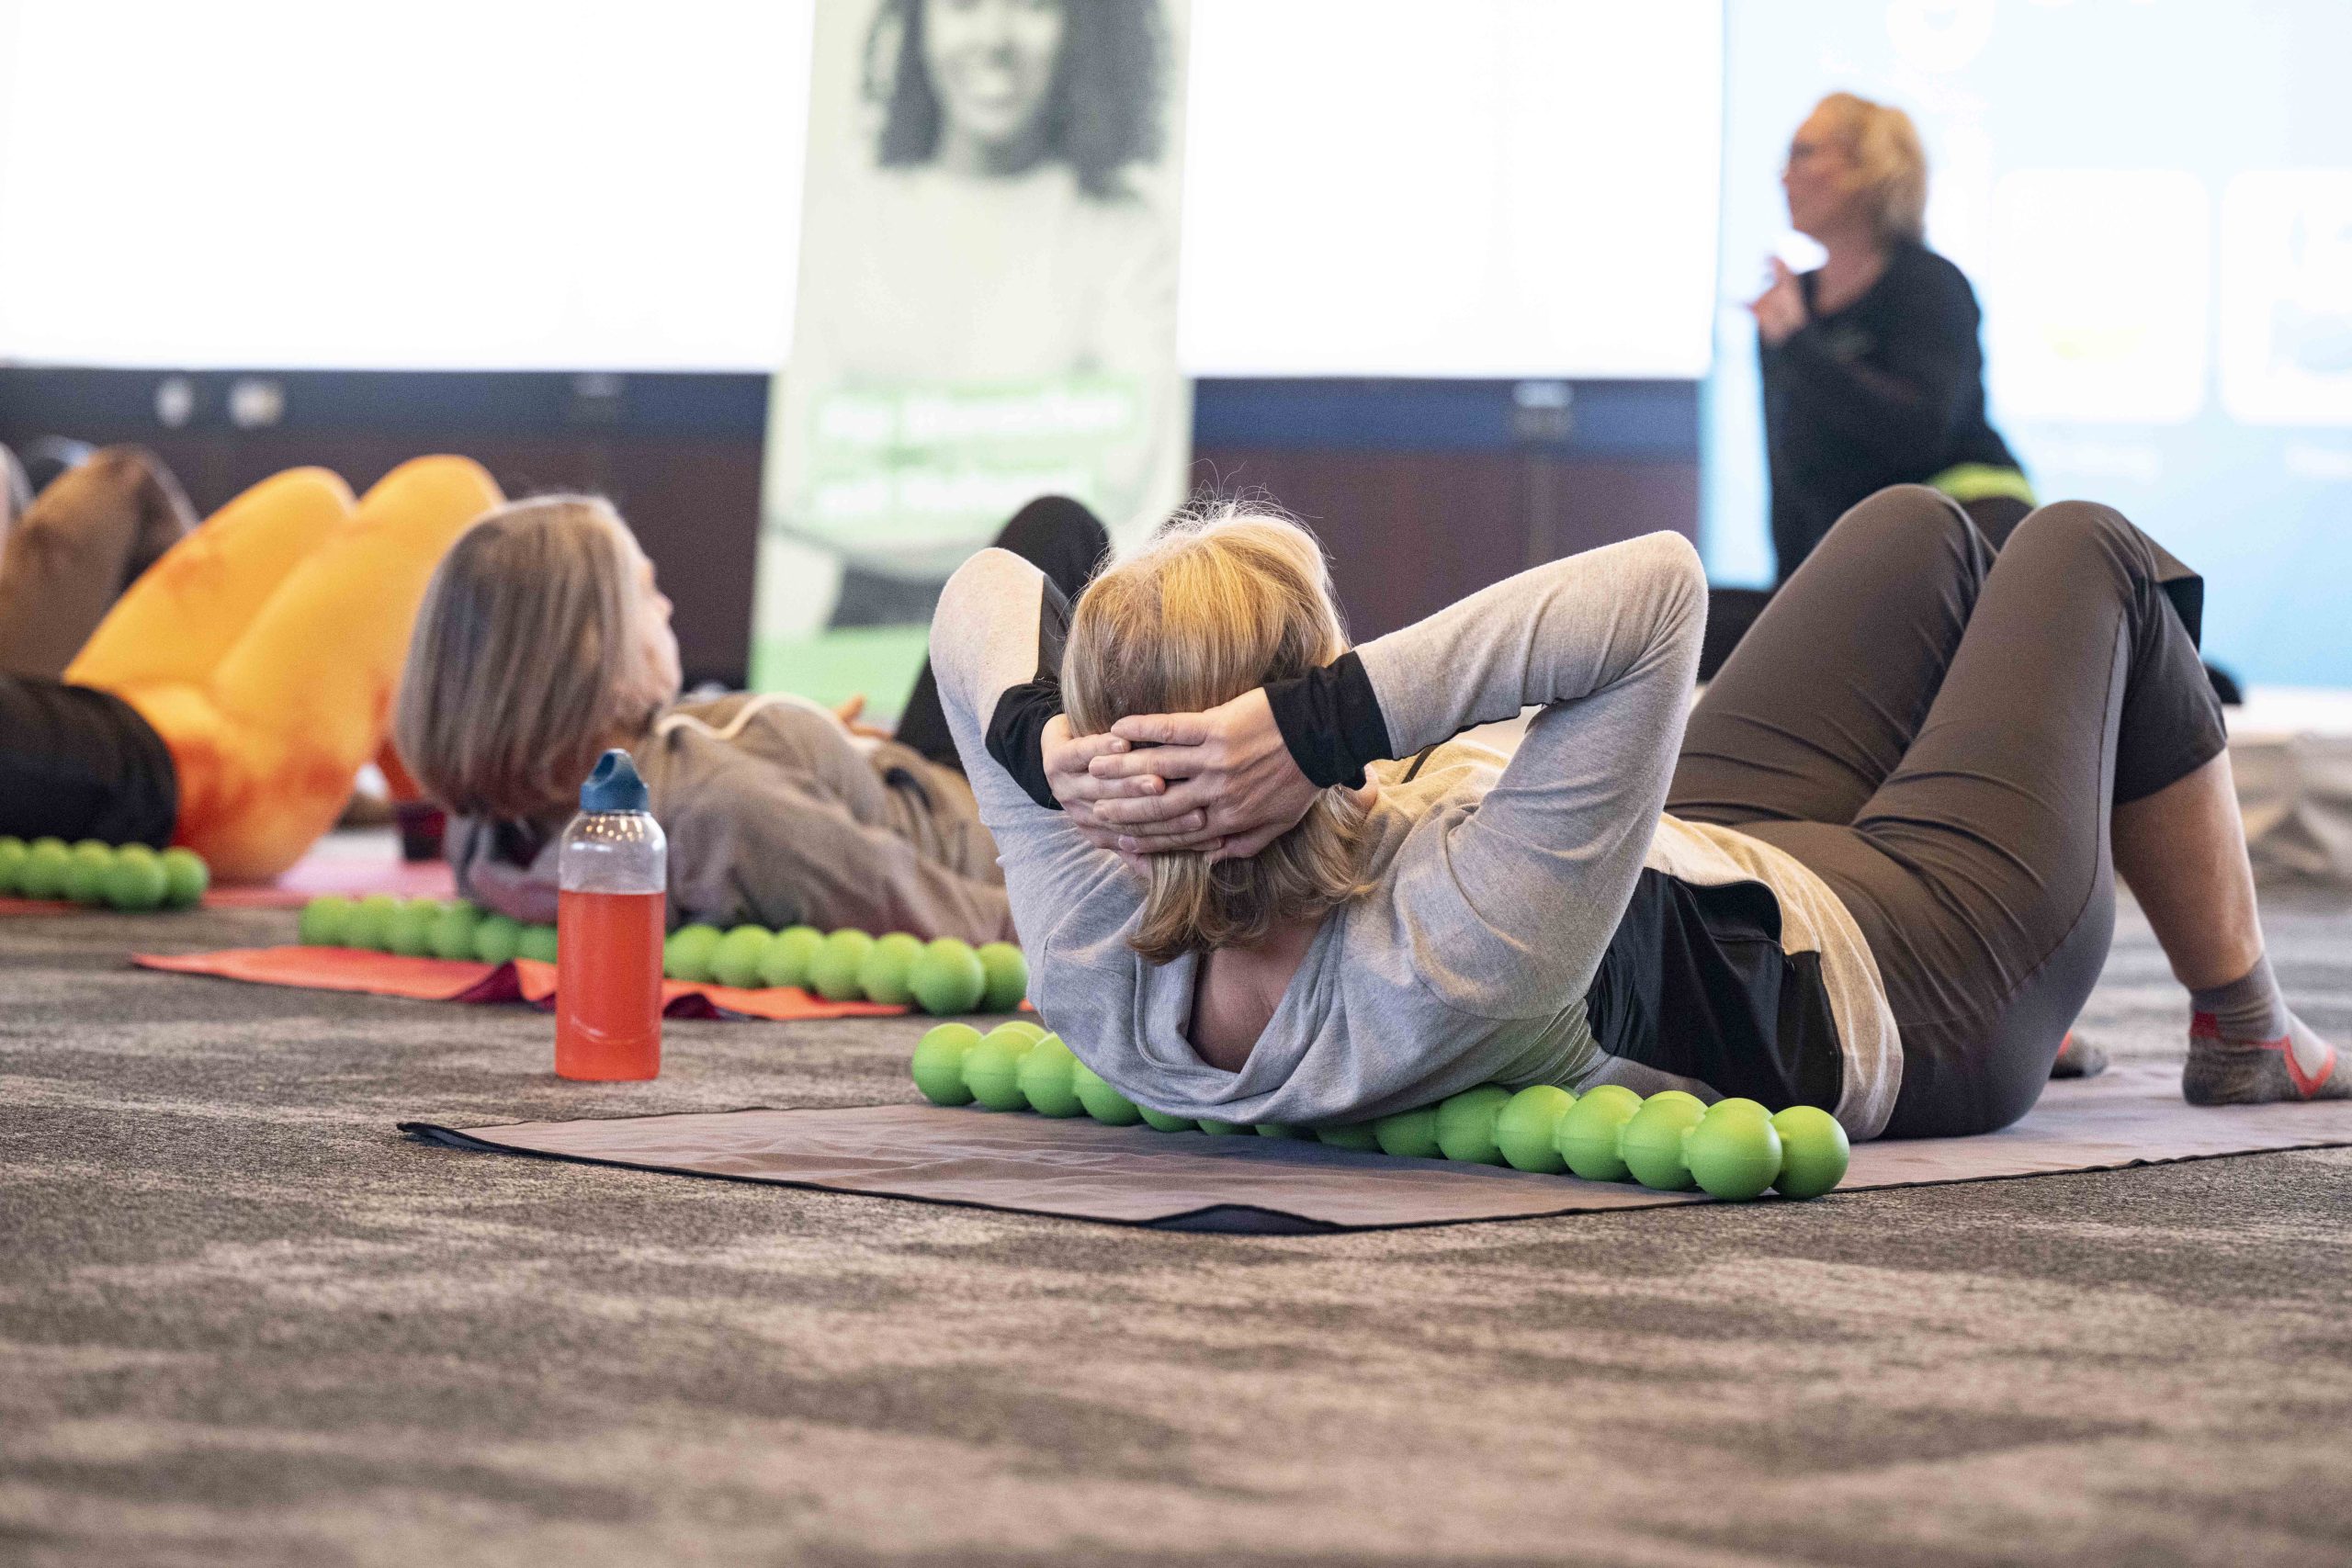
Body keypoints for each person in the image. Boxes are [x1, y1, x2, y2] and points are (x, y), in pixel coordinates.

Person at [930, 489, 2339, 1142]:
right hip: (1902, 977)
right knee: (2086, 550)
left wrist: (1038, 747)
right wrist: (1326, 725)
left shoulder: (1094, 927)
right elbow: (1657, 587)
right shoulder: (1439, 953)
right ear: (1306, 725)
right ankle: (2247, 1030)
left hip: (1692, 870)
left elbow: (985, 586)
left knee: (1914, 528)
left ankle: (2078, 977)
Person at [397, 494, 1110, 939]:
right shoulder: (726, 811)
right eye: (645, 594)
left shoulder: (482, 833)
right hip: (980, 813)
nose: (667, 607)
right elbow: (940, 906)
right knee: (1057, 530)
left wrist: (807, 747)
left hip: (890, 776)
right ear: (589, 656)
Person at [0, 457, 504, 881]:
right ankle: (450, 804)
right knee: (446, 490)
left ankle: (418, 791)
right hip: (210, 787)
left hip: (100, 702)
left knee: (309, 501)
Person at [1755, 92, 2030, 574]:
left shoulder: (1930, 283)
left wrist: (1800, 348)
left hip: (1964, 519)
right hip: (1861, 546)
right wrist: (1785, 595)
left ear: (1869, 168)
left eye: (1805, 153)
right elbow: (1789, 475)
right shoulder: (1790, 304)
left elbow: (1920, 434)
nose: (1785, 177)